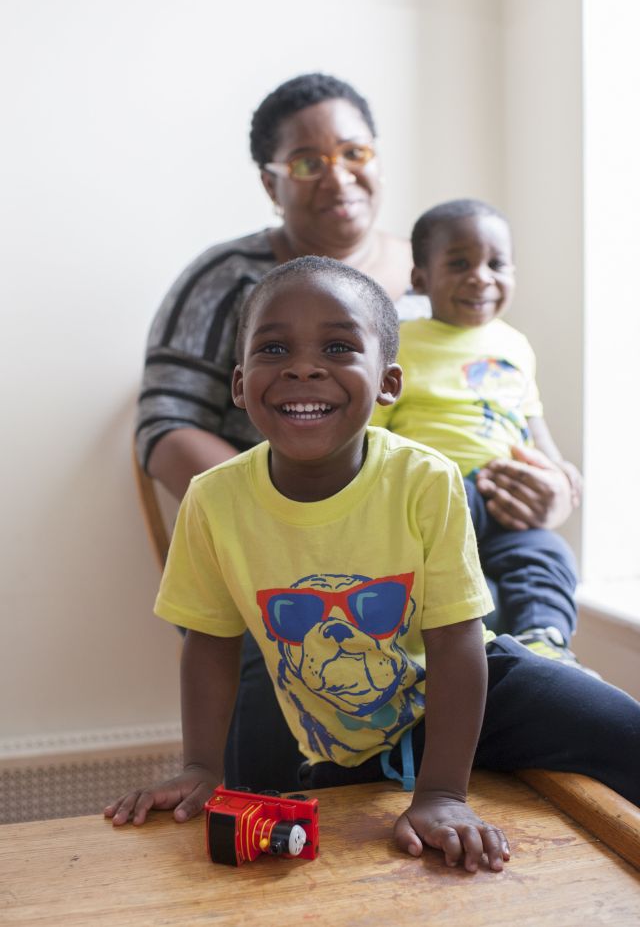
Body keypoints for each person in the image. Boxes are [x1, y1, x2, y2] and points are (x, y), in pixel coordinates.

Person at [107, 257, 640, 871]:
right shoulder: (213, 498)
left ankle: (528, 673)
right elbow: (209, 641)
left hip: (468, 688)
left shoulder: (424, 479)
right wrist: (201, 767)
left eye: (337, 346)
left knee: (622, 729)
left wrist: (441, 794)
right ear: (239, 383)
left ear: (388, 384)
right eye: (274, 348)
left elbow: (454, 637)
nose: (303, 366)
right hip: (339, 731)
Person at [135, 75, 576, 789]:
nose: (335, 173)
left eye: (353, 151)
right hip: (284, 549)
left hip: (426, 515)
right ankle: (272, 805)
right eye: (307, 161)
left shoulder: (434, 272)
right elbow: (162, 425)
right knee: (284, 635)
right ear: (270, 182)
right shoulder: (222, 278)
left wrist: (554, 486)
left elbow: (501, 395)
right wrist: (281, 521)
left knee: (504, 607)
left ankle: (458, 780)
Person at [370, 199, 586, 665]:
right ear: (421, 279)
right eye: (460, 263)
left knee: (547, 554)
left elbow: (531, 423)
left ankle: (544, 641)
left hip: (506, 496)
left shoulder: (515, 345)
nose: (482, 276)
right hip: (437, 494)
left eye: (497, 263)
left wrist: (560, 469)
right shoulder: (399, 343)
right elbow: (373, 434)